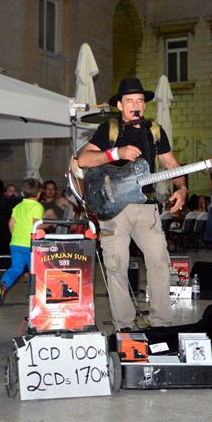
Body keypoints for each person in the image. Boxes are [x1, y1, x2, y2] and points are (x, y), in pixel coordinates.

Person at [77, 77, 186, 330]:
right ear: (119, 105)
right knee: (117, 266)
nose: (136, 105)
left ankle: (161, 325)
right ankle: (124, 326)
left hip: (147, 208)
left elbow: (172, 165)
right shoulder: (110, 129)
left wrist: (182, 188)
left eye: (140, 101)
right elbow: (83, 159)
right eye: (130, 101)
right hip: (113, 209)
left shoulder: (155, 130)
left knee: (160, 261)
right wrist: (116, 153)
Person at [0, 178, 44, 304]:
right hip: (30, 244)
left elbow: (11, 224)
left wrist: (15, 236)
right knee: (35, 270)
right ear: (39, 193)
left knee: (16, 268)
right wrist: (45, 227)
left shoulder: (17, 206)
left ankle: (3, 283)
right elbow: (36, 225)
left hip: (16, 243)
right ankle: (31, 296)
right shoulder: (38, 206)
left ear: (23, 192)